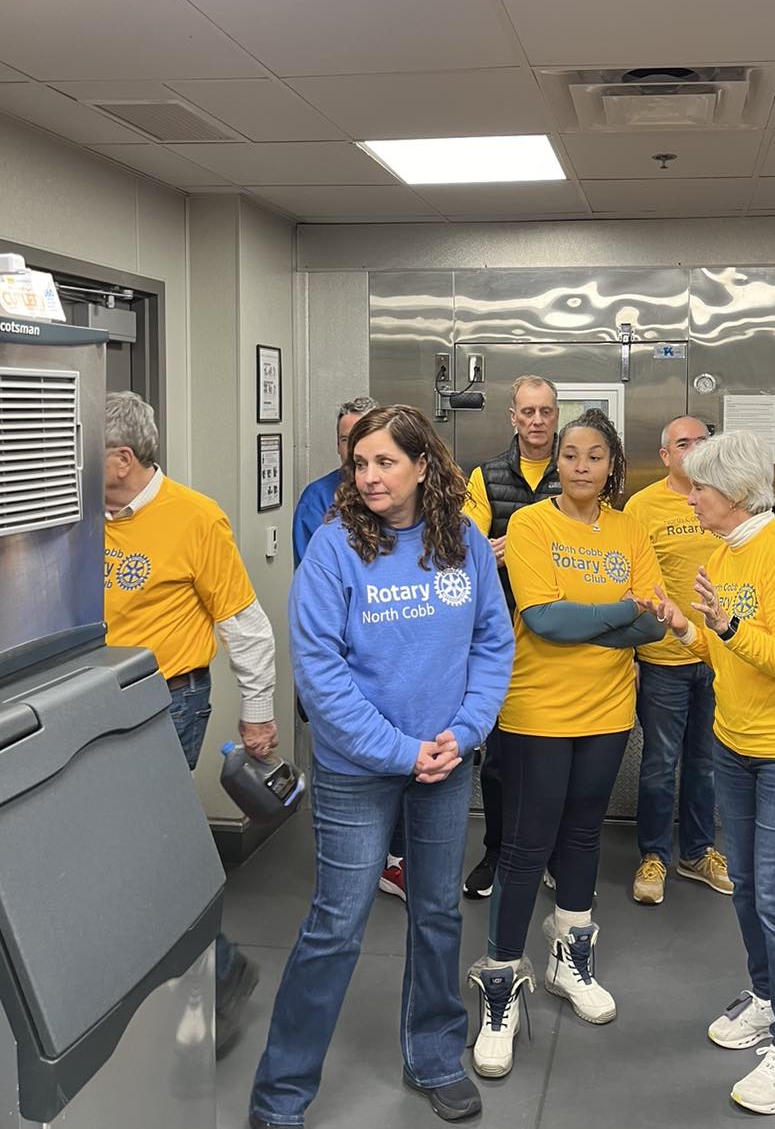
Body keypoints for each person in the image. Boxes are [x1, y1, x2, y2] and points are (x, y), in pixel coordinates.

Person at [249, 405, 513, 1128]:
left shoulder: (462, 542)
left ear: (423, 466)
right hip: (356, 772)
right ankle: (280, 1095)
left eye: (385, 462)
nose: (368, 476)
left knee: (437, 913)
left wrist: (466, 731)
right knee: (336, 925)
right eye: (359, 463)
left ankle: (435, 1057)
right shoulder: (334, 546)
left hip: (445, 763)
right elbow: (320, 673)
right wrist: (400, 750)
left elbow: (493, 644)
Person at [638, 430, 775, 1116]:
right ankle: (768, 998)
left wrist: (727, 628)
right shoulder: (723, 554)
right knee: (749, 886)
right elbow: (725, 652)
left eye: (700, 487)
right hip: (736, 743)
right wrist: (686, 628)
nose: (690, 497)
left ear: (733, 493)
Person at [469, 409, 665, 1081]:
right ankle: (500, 981)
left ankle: (568, 960)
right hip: (537, 709)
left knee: (583, 834)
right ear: (557, 462)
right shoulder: (531, 525)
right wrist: (622, 612)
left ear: (613, 466)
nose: (582, 465)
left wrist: (602, 622)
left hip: (608, 710)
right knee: (527, 845)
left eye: (595, 455)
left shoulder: (630, 528)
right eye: (571, 454)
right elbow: (545, 620)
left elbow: (655, 626)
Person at [103, 390, 277, 1057]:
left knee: (144, 847)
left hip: (166, 702)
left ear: (122, 458)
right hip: (92, 703)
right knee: (125, 848)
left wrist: (257, 716)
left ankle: (219, 970)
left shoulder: (196, 518)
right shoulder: (79, 516)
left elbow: (246, 627)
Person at [292, 395, 405, 904]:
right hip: (343, 670)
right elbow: (319, 591)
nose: (360, 459)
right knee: (346, 772)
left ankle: (395, 861)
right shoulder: (317, 500)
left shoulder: (413, 510)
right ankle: (350, 863)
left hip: (395, 671)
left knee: (399, 767)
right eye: (348, 443)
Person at [624, 415, 731, 905]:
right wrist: (634, 654)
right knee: (660, 762)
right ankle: (653, 856)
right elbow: (633, 581)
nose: (694, 449)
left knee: (706, 762)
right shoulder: (642, 507)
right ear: (665, 456)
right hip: (663, 657)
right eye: (682, 443)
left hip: (720, 653)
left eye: (702, 441)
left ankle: (698, 851)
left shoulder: (728, 497)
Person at [461, 375, 561, 900]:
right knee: (499, 758)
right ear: (513, 417)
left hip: (562, 637)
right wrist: (492, 552)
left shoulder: (575, 471)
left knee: (556, 758)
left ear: (557, 415)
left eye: (546, 411)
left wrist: (511, 546)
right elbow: (465, 546)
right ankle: (497, 851)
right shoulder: (486, 476)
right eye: (528, 411)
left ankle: (553, 856)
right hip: (502, 636)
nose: (537, 420)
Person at [292, 396, 377, 565]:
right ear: (338, 446)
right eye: (345, 440)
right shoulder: (316, 499)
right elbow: (312, 570)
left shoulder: (396, 491)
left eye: (362, 437)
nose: (353, 447)